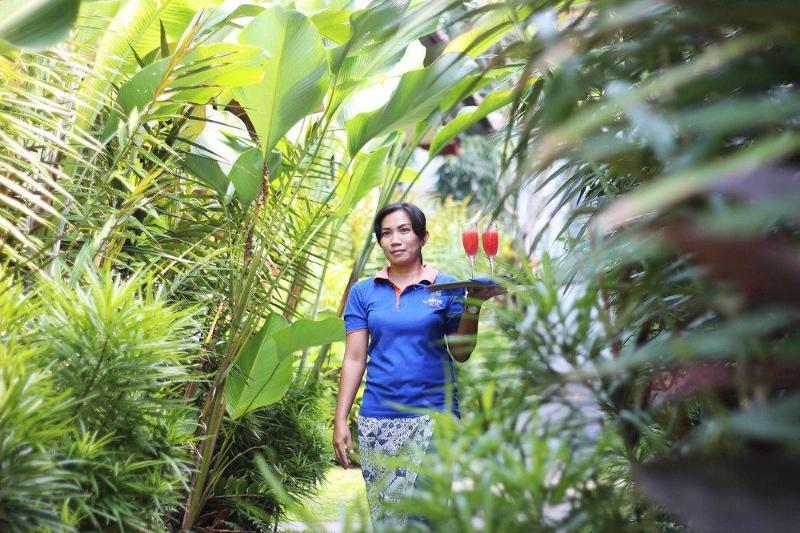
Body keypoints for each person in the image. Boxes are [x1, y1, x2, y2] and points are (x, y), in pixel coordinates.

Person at [332, 202, 505, 528]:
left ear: (422, 237)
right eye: (386, 233)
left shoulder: (447, 288)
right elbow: (354, 358)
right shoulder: (364, 293)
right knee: (389, 521)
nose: (394, 240)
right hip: (378, 419)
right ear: (379, 241)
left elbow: (461, 352)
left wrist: (474, 304)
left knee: (428, 516)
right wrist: (340, 419)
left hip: (435, 417)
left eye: (404, 230)